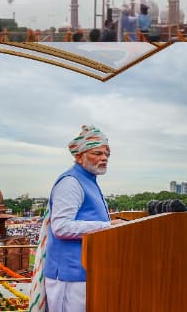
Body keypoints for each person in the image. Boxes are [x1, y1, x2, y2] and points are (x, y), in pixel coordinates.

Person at [42, 125, 121, 312]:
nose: (104, 158)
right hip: (70, 276)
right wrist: (108, 227)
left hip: (85, 272)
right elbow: (61, 227)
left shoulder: (88, 180)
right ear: (79, 156)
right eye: (98, 153)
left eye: (107, 154)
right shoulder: (71, 182)